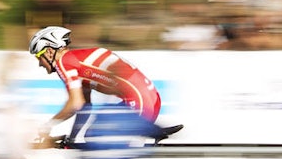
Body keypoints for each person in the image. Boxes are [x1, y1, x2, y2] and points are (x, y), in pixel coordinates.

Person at [28, 26, 182, 145]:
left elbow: (75, 103)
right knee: (94, 136)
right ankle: (152, 131)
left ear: (48, 52)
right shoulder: (75, 62)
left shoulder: (64, 61)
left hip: (139, 101)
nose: (40, 64)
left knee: (98, 140)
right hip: (148, 98)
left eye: (38, 57)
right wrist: (73, 138)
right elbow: (84, 106)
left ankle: (153, 131)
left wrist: (47, 126)